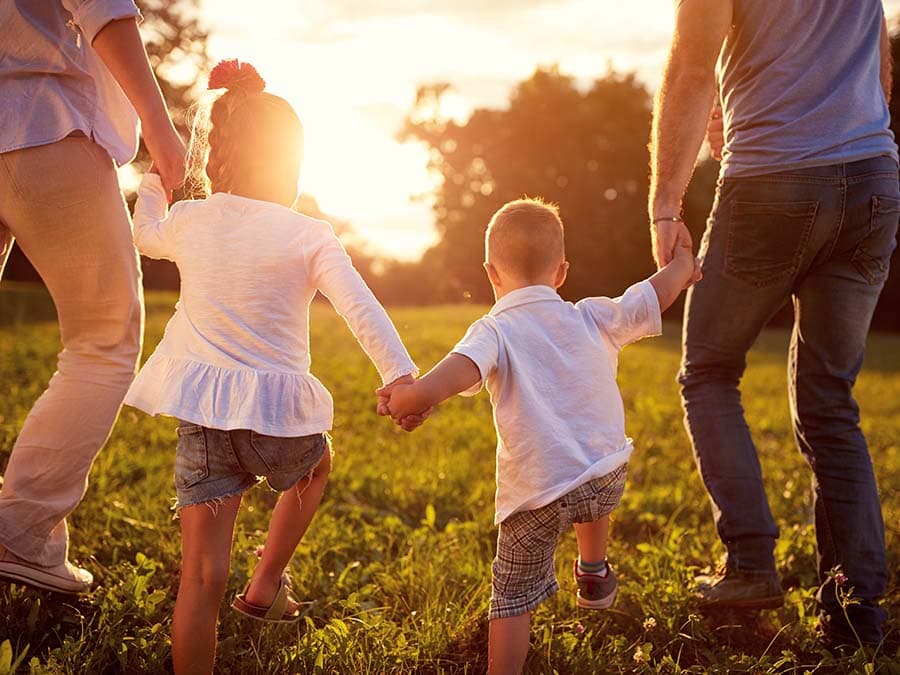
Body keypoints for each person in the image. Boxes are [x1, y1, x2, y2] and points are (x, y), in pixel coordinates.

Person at [123, 59, 420, 674]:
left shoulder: (191, 220)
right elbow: (361, 309)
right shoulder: (308, 233)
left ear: (217, 158)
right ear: (290, 166)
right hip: (280, 425)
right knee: (318, 468)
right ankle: (266, 584)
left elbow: (142, 233)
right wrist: (400, 376)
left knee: (200, 577)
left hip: (204, 423)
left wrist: (157, 176)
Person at [649, 0, 898, 647]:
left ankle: (750, 559)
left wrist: (664, 202)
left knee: (707, 369)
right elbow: (879, 63)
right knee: (830, 401)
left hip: (771, 179)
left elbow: (690, 69)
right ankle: (856, 615)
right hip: (873, 178)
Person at [381, 198, 697, 675]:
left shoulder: (494, 329)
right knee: (590, 472)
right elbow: (650, 296)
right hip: (605, 476)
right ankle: (593, 571)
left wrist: (417, 395)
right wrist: (683, 266)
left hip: (536, 495)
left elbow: (458, 371)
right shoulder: (591, 315)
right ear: (562, 272)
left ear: (491, 273)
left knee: (511, 596)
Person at [0, 1, 185, 594]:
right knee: (104, 338)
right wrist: (160, 128)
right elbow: (100, 7)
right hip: (40, 120)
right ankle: (21, 531)